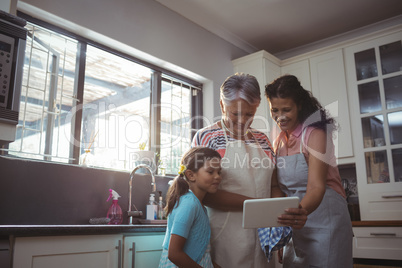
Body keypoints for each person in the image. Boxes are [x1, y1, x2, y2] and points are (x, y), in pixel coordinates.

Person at [192, 73, 307, 268]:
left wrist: (277, 227)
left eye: (249, 114)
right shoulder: (207, 138)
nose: (243, 121)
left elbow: (273, 185)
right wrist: (257, 206)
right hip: (223, 237)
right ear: (222, 105)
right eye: (235, 114)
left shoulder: (263, 140)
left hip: (264, 241)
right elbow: (200, 194)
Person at [265, 74, 353, 267]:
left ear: (299, 106)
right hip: (296, 222)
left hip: (325, 220)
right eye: (275, 110)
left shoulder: (315, 133)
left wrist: (296, 215)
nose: (280, 116)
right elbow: (277, 187)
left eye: (286, 109)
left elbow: (316, 187)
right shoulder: (278, 140)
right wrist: (281, 232)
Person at [158, 147, 222, 268]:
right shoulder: (189, 204)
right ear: (191, 175)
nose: (217, 176)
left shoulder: (197, 204)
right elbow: (174, 254)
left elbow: (201, 252)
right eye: (210, 172)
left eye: (219, 172)